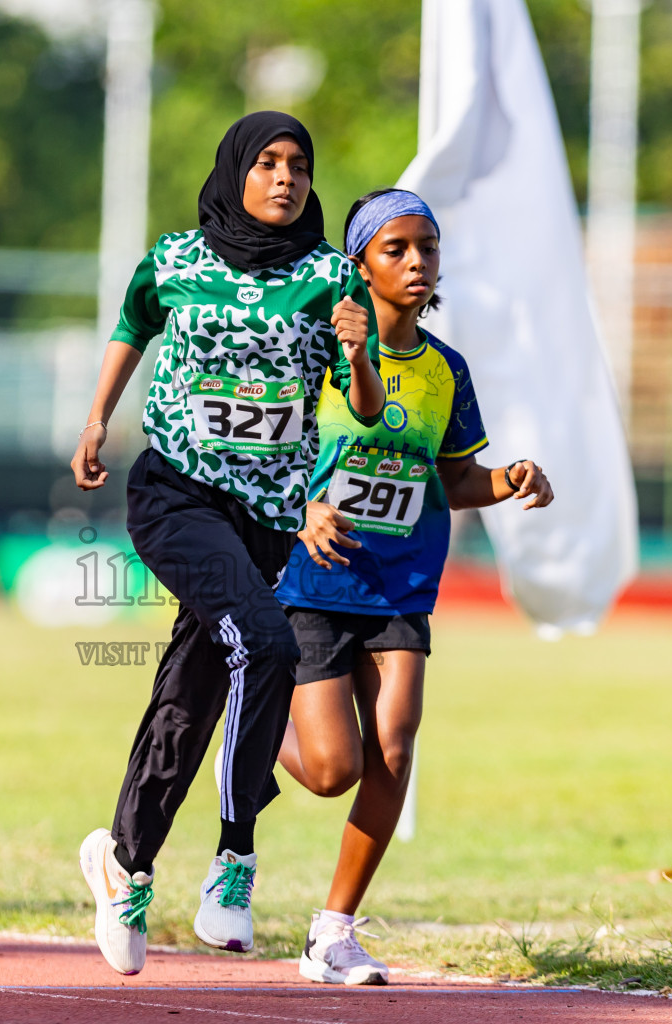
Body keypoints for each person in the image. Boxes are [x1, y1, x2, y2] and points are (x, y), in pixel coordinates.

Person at [71, 111, 384, 975]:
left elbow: (360, 407)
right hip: (176, 492)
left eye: (300, 165)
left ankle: (123, 862)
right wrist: (97, 419)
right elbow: (132, 326)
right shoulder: (174, 260)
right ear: (236, 171)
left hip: (267, 517)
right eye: (269, 163)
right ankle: (233, 862)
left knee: (194, 687)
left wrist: (358, 356)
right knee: (268, 642)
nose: (286, 178)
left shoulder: (330, 278)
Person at [271, 189, 555, 985]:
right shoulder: (317, 353)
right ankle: (249, 716)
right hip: (314, 582)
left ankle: (333, 932)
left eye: (427, 247)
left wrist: (509, 478)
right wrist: (301, 510)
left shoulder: (446, 371)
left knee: (394, 748)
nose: (417, 262)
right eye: (396, 249)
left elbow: (454, 476)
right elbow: (262, 456)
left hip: (401, 587)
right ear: (359, 263)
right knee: (333, 770)